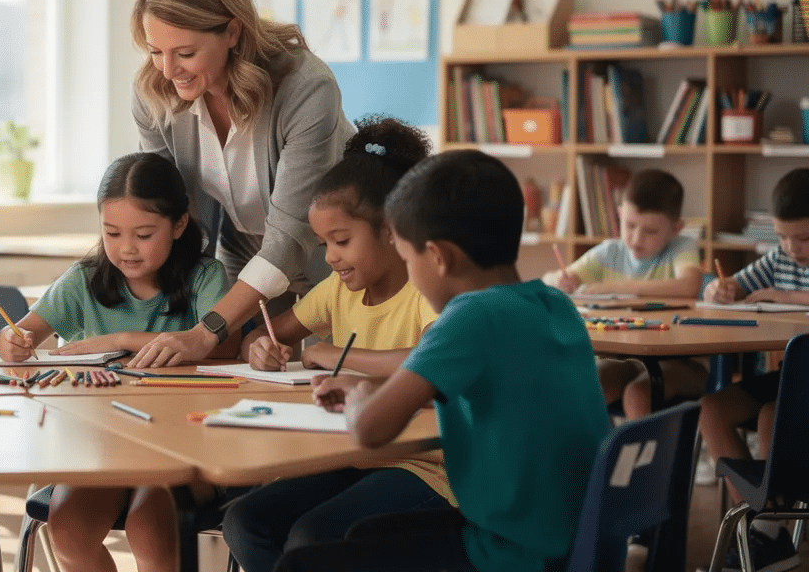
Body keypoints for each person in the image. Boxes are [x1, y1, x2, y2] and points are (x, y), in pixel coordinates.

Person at [281, 150, 610, 572]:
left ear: (438, 256)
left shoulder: (469, 317)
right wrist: (377, 389)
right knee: (369, 535)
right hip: (573, 541)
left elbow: (369, 428)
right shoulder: (553, 305)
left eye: (407, 256)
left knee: (299, 565)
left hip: (509, 553)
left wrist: (363, 392)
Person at [221, 117, 452, 572]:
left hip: (428, 465)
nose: (329, 258)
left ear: (392, 229)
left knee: (314, 537)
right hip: (351, 452)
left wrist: (330, 356)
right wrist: (259, 349)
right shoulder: (338, 291)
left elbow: (430, 359)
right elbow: (268, 334)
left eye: (341, 241)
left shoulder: (426, 290)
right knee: (246, 521)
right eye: (323, 243)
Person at [0, 152, 231, 572]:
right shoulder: (82, 281)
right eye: (112, 233)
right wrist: (11, 340)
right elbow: (20, 333)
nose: (126, 249)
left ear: (179, 225)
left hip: (179, 447)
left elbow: (222, 347)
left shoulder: (205, 277)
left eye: (143, 234)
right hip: (97, 444)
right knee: (67, 527)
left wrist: (120, 339)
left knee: (150, 527)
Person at [128, 0, 354, 368]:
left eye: (185, 52)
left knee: (335, 376)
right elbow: (167, 215)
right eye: (155, 50)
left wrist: (203, 331)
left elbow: (289, 235)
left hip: (339, 256)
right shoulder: (154, 92)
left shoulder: (305, 88)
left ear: (232, 31)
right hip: (245, 252)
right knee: (253, 373)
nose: (167, 69)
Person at [698, 167, 809, 572]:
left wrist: (781, 294)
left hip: (802, 384)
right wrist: (719, 289)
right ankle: (763, 527)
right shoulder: (779, 257)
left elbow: (772, 292)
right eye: (781, 236)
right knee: (712, 407)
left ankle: (773, 531)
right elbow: (735, 287)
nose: (792, 248)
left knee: (771, 415)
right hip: (790, 378)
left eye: (804, 238)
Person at [542, 168, 706, 417]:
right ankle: (604, 454)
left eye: (650, 231)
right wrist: (560, 279)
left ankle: (645, 456)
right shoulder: (610, 252)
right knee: (587, 386)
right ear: (619, 214)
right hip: (626, 358)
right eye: (629, 225)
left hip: (682, 362)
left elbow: (688, 285)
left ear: (676, 228)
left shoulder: (682, 247)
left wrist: (614, 288)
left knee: (637, 394)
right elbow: (549, 280)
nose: (636, 238)